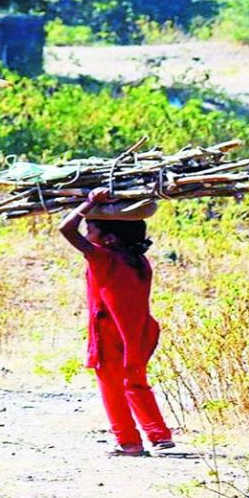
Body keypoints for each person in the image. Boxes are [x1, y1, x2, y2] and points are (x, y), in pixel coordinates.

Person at [58, 188, 174, 456]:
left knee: (111, 386)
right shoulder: (138, 260)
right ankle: (159, 437)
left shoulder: (104, 258)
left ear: (108, 239)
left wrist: (89, 203)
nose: (88, 236)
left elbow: (66, 229)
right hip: (140, 331)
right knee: (135, 382)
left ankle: (128, 442)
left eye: (92, 231)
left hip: (110, 332)